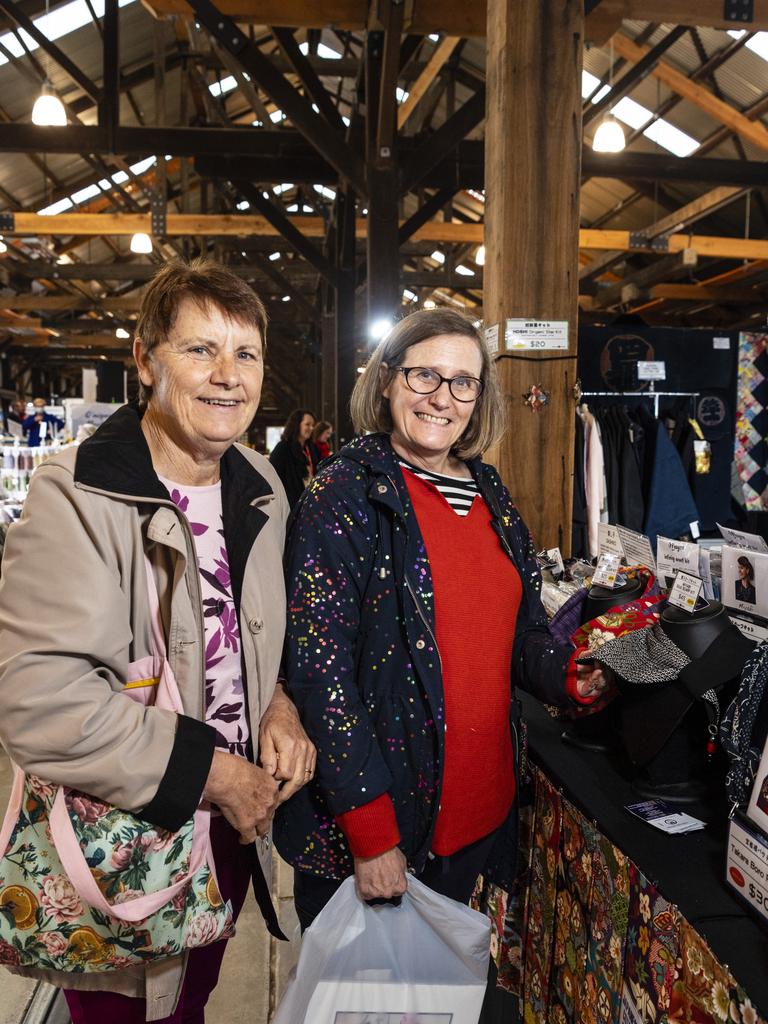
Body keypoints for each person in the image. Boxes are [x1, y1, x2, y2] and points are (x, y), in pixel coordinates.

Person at [0, 259, 315, 1023]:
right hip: (128, 831)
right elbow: (42, 702)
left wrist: (279, 707)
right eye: (199, 350)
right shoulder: (77, 491)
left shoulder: (260, 486)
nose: (226, 376)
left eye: (245, 354)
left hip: (232, 832)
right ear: (145, 361)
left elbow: (247, 634)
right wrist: (213, 773)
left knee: (189, 1002)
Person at [274, 308, 609, 931]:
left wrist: (564, 674)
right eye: (423, 375)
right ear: (386, 381)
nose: (442, 398)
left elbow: (520, 630)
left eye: (463, 382)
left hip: (478, 813)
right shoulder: (345, 494)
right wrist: (371, 832)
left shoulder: (490, 492)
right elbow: (321, 675)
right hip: (386, 826)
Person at [268, 408, 316, 508]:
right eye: (307, 424)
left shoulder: (311, 448)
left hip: (309, 502)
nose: (311, 428)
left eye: (312, 425)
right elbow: (272, 476)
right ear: (297, 425)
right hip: (290, 504)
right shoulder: (283, 447)